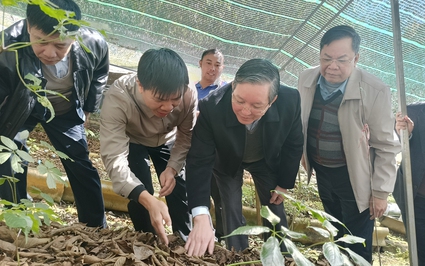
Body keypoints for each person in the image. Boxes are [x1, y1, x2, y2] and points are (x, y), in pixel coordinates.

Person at [0, 0, 108, 228]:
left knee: (79, 162)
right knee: (10, 153)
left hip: (64, 109)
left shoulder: (94, 43)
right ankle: (18, 215)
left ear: (75, 35)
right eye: (41, 42)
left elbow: (100, 72)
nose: (50, 53)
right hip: (24, 105)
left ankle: (95, 225)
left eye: (60, 46)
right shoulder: (7, 45)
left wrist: (89, 106)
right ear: (29, 26)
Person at [297, 25, 400, 262]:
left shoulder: (374, 90)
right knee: (335, 228)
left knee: (357, 239)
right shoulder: (306, 79)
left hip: (355, 177)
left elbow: (386, 145)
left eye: (342, 60)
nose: (332, 66)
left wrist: (381, 192)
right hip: (322, 171)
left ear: (356, 58)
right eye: (326, 58)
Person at [184, 58, 304, 256]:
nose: (246, 111)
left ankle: (280, 255)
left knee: (275, 206)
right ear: (233, 87)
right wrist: (200, 213)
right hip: (227, 160)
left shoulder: (290, 101)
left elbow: (294, 144)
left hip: (265, 160)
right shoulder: (211, 107)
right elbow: (199, 160)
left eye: (256, 105)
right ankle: (237, 255)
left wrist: (284, 184)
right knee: (230, 205)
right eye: (239, 101)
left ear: (272, 100)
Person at [100, 48, 197, 245]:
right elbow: (114, 158)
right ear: (140, 85)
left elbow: (186, 136)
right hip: (134, 140)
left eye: (174, 99)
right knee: (140, 188)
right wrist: (146, 198)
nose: (168, 107)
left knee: (179, 185)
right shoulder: (118, 98)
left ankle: (185, 239)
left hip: (168, 138)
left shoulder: (188, 94)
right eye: (160, 99)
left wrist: (172, 168)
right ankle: (148, 238)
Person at [195, 48, 226, 241]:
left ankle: (223, 235)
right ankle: (198, 231)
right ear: (200, 64)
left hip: (219, 153)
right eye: (208, 63)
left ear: (222, 68)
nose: (212, 68)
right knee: (197, 191)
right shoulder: (190, 91)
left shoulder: (226, 92)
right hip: (195, 152)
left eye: (217, 65)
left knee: (220, 195)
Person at [394, 104, 425, 266]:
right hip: (417, 199)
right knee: (420, 252)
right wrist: (406, 134)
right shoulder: (409, 113)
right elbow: (388, 143)